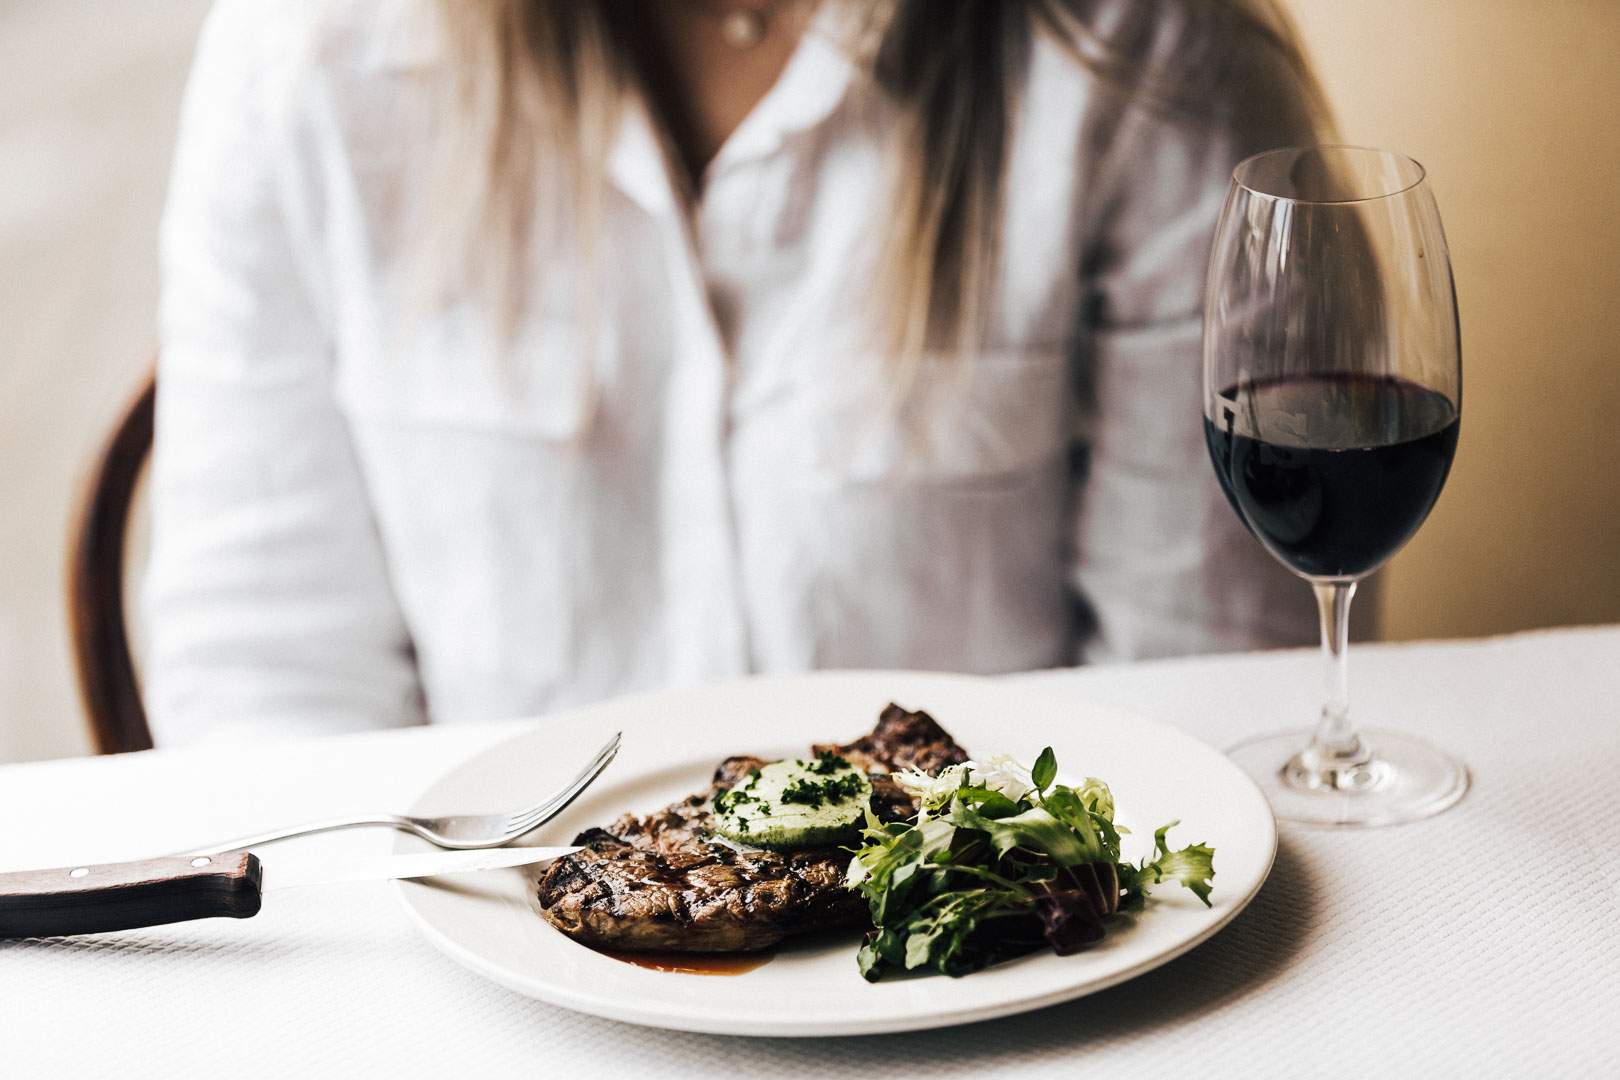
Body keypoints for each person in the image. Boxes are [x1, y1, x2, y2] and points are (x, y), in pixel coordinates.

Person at [145, 0, 1326, 744]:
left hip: (998, 998)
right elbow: (269, 681)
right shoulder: (302, 56)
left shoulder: (1148, 52)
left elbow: (1205, 696)